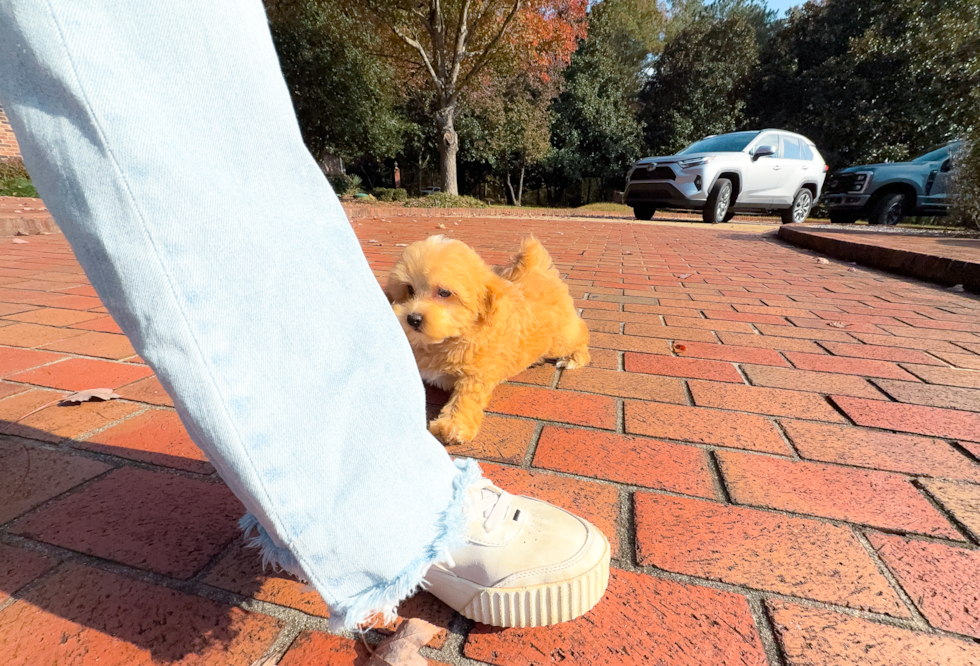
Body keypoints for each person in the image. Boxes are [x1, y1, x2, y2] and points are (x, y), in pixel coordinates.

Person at [0, 0, 609, 631]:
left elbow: (469, 395)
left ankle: (355, 486)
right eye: (405, 295)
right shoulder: (430, 317)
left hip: (533, 323)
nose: (413, 311)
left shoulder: (503, 312)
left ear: (484, 301)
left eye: (438, 297)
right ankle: (382, 508)